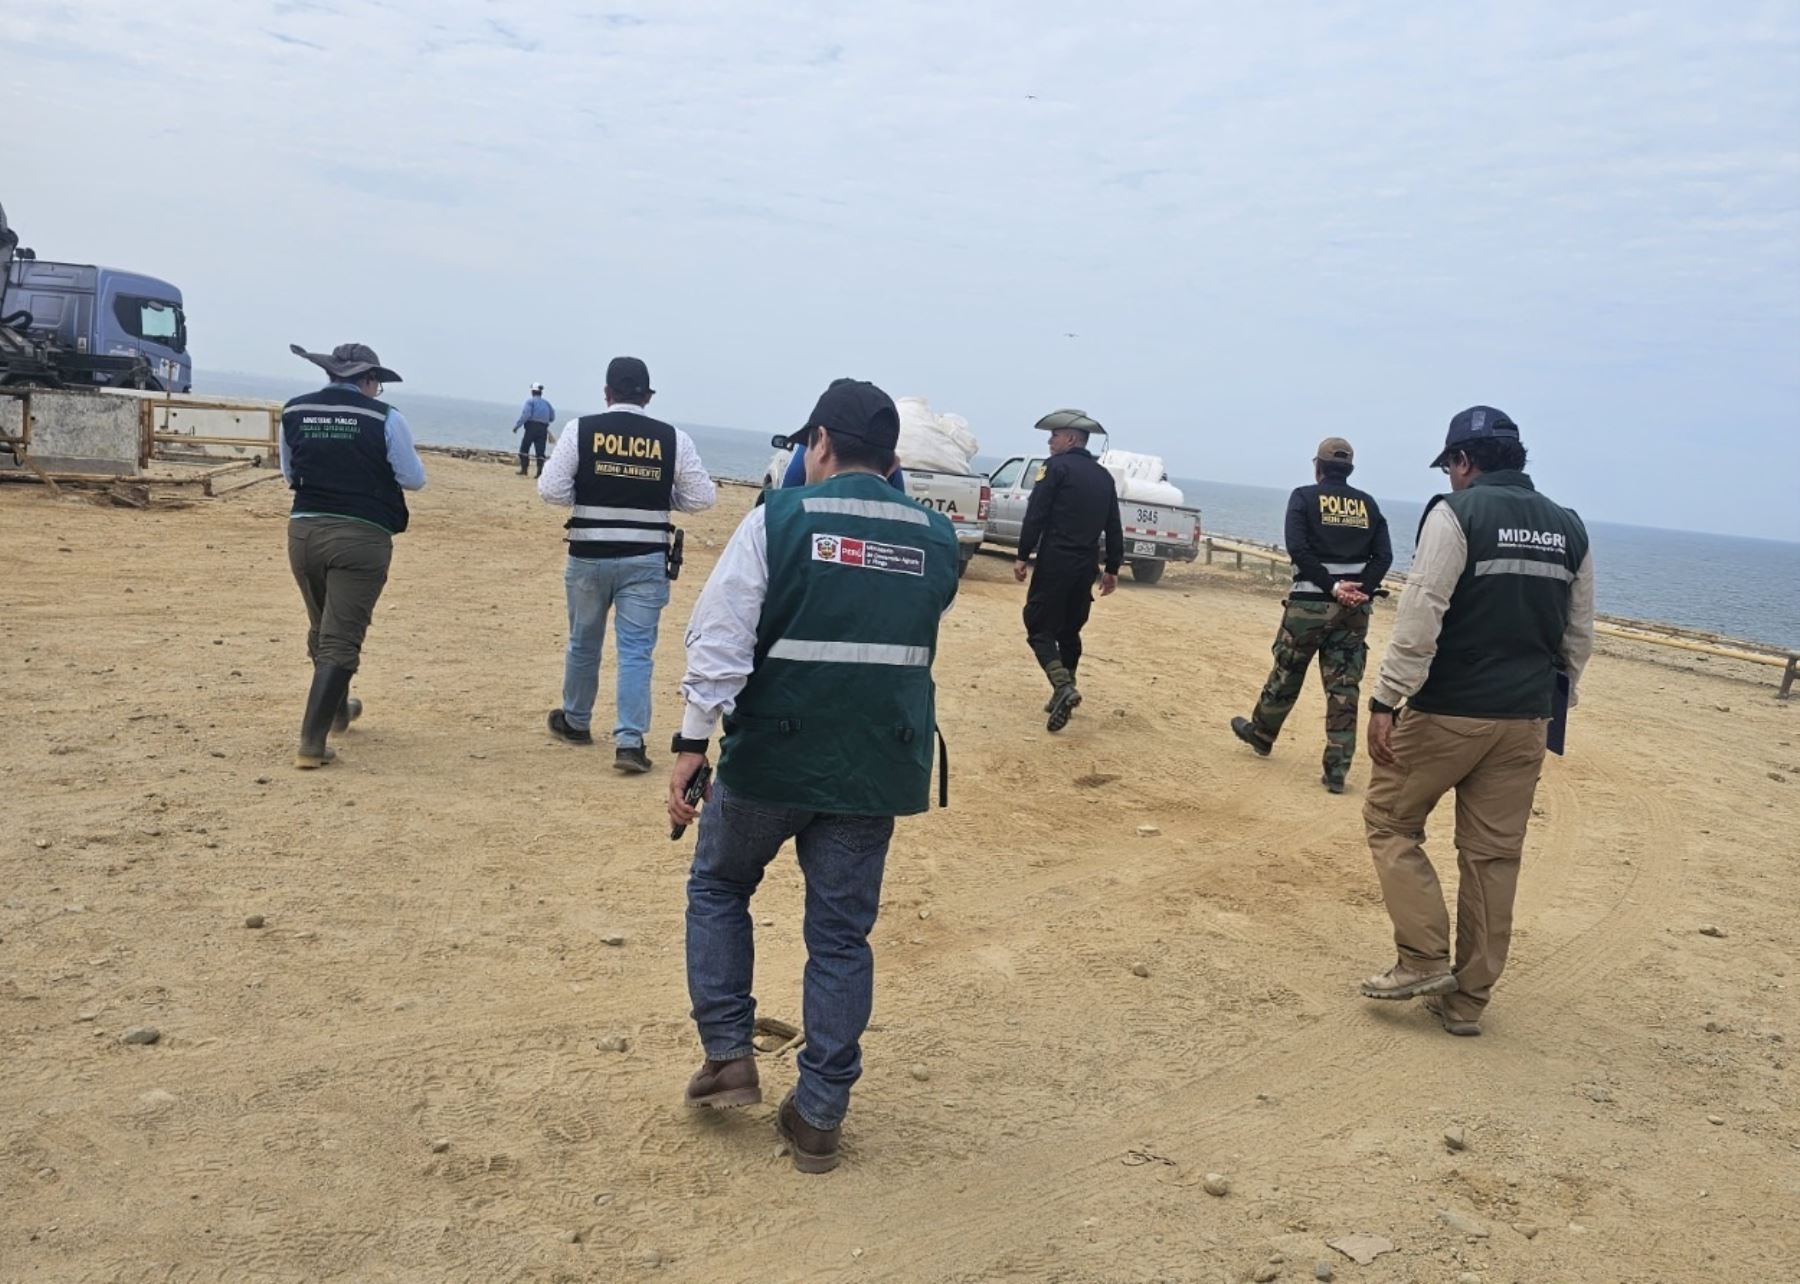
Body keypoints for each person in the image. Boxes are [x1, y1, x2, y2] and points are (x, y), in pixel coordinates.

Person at [669, 378, 959, 1173]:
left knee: (721, 887)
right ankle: (821, 1114)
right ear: (894, 460)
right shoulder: (938, 540)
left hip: (774, 757)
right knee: (840, 935)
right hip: (875, 767)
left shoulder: (777, 521)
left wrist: (692, 745)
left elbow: (720, 642)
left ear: (819, 444)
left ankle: (730, 1055)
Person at [1359, 406, 1595, 1037]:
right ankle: (1467, 1001)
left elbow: (1421, 615)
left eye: (1452, 466)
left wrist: (1386, 700)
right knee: (1493, 857)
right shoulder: (1570, 528)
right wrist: (1550, 707)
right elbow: (1578, 636)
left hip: (1450, 710)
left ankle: (1422, 959)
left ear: (1464, 462)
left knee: (1389, 819)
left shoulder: (1456, 514)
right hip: (1525, 717)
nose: (1452, 476)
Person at [537, 356, 716, 771]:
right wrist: (656, 497)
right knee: (637, 651)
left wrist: (592, 493)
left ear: (606, 393)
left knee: (583, 640)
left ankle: (577, 721)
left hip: (589, 556)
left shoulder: (579, 430)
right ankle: (630, 742)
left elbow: (550, 489)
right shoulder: (673, 439)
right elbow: (702, 497)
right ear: (648, 397)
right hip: (645, 560)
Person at [279, 342, 427, 769]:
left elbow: (289, 473)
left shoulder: (294, 411)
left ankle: (338, 711)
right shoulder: (385, 418)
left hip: (304, 529)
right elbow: (412, 478)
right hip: (362, 535)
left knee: (321, 626)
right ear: (368, 380)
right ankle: (312, 741)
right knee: (342, 637)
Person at [1231, 437, 1393, 793]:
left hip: (1308, 606)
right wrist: (1360, 589)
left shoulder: (1303, 497)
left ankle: (1261, 733)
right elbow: (1384, 557)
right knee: (1343, 686)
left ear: (1317, 467)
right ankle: (1337, 770)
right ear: (1350, 469)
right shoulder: (1369, 504)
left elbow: (1298, 549)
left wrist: (1333, 587)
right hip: (1354, 611)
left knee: (1288, 670)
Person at [1013, 408, 1123, 732]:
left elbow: (1037, 514)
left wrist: (1022, 555)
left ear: (1071, 438)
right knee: (1070, 632)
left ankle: (1063, 686)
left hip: (1055, 562)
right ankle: (1065, 691)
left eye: (1054, 435)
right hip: (1085, 566)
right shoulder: (1104, 477)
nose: (1050, 441)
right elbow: (1114, 526)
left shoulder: (1055, 468)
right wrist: (1112, 567)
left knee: (1038, 627)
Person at [513, 382, 555, 477]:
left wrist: (517, 426)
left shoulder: (530, 402)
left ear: (532, 392)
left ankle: (524, 470)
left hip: (531, 428)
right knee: (540, 451)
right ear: (541, 393)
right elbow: (552, 417)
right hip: (543, 429)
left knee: (524, 449)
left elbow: (526, 415)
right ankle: (539, 472)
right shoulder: (547, 403)